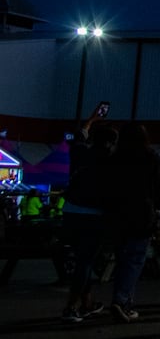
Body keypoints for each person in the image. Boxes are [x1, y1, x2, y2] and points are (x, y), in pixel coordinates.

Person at [104, 122, 160, 323]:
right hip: (141, 213)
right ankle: (122, 300)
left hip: (117, 213)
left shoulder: (115, 158)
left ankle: (122, 298)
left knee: (122, 258)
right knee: (134, 260)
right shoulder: (151, 157)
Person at [60, 108, 117, 323]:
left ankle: (88, 303)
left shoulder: (80, 152)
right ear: (111, 143)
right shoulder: (112, 162)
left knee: (82, 260)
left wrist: (92, 119)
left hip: (71, 211)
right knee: (85, 261)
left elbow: (80, 134)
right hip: (94, 216)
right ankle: (71, 306)